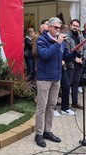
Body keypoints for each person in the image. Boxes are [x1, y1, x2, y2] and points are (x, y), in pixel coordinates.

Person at [34, 17, 76, 147]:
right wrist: (57, 43)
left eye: (59, 28)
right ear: (49, 27)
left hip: (56, 77)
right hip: (44, 78)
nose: (58, 30)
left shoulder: (61, 42)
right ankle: (39, 134)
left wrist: (75, 52)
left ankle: (48, 131)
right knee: (42, 107)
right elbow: (44, 55)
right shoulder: (42, 40)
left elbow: (66, 57)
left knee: (51, 106)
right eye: (56, 28)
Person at [61, 19, 86, 115]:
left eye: (77, 26)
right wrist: (75, 58)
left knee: (76, 83)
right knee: (67, 84)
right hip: (70, 63)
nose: (75, 27)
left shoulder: (80, 36)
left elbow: (85, 47)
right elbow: (66, 50)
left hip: (79, 63)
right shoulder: (66, 36)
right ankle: (66, 105)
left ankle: (75, 102)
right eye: (74, 25)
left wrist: (82, 58)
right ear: (70, 25)